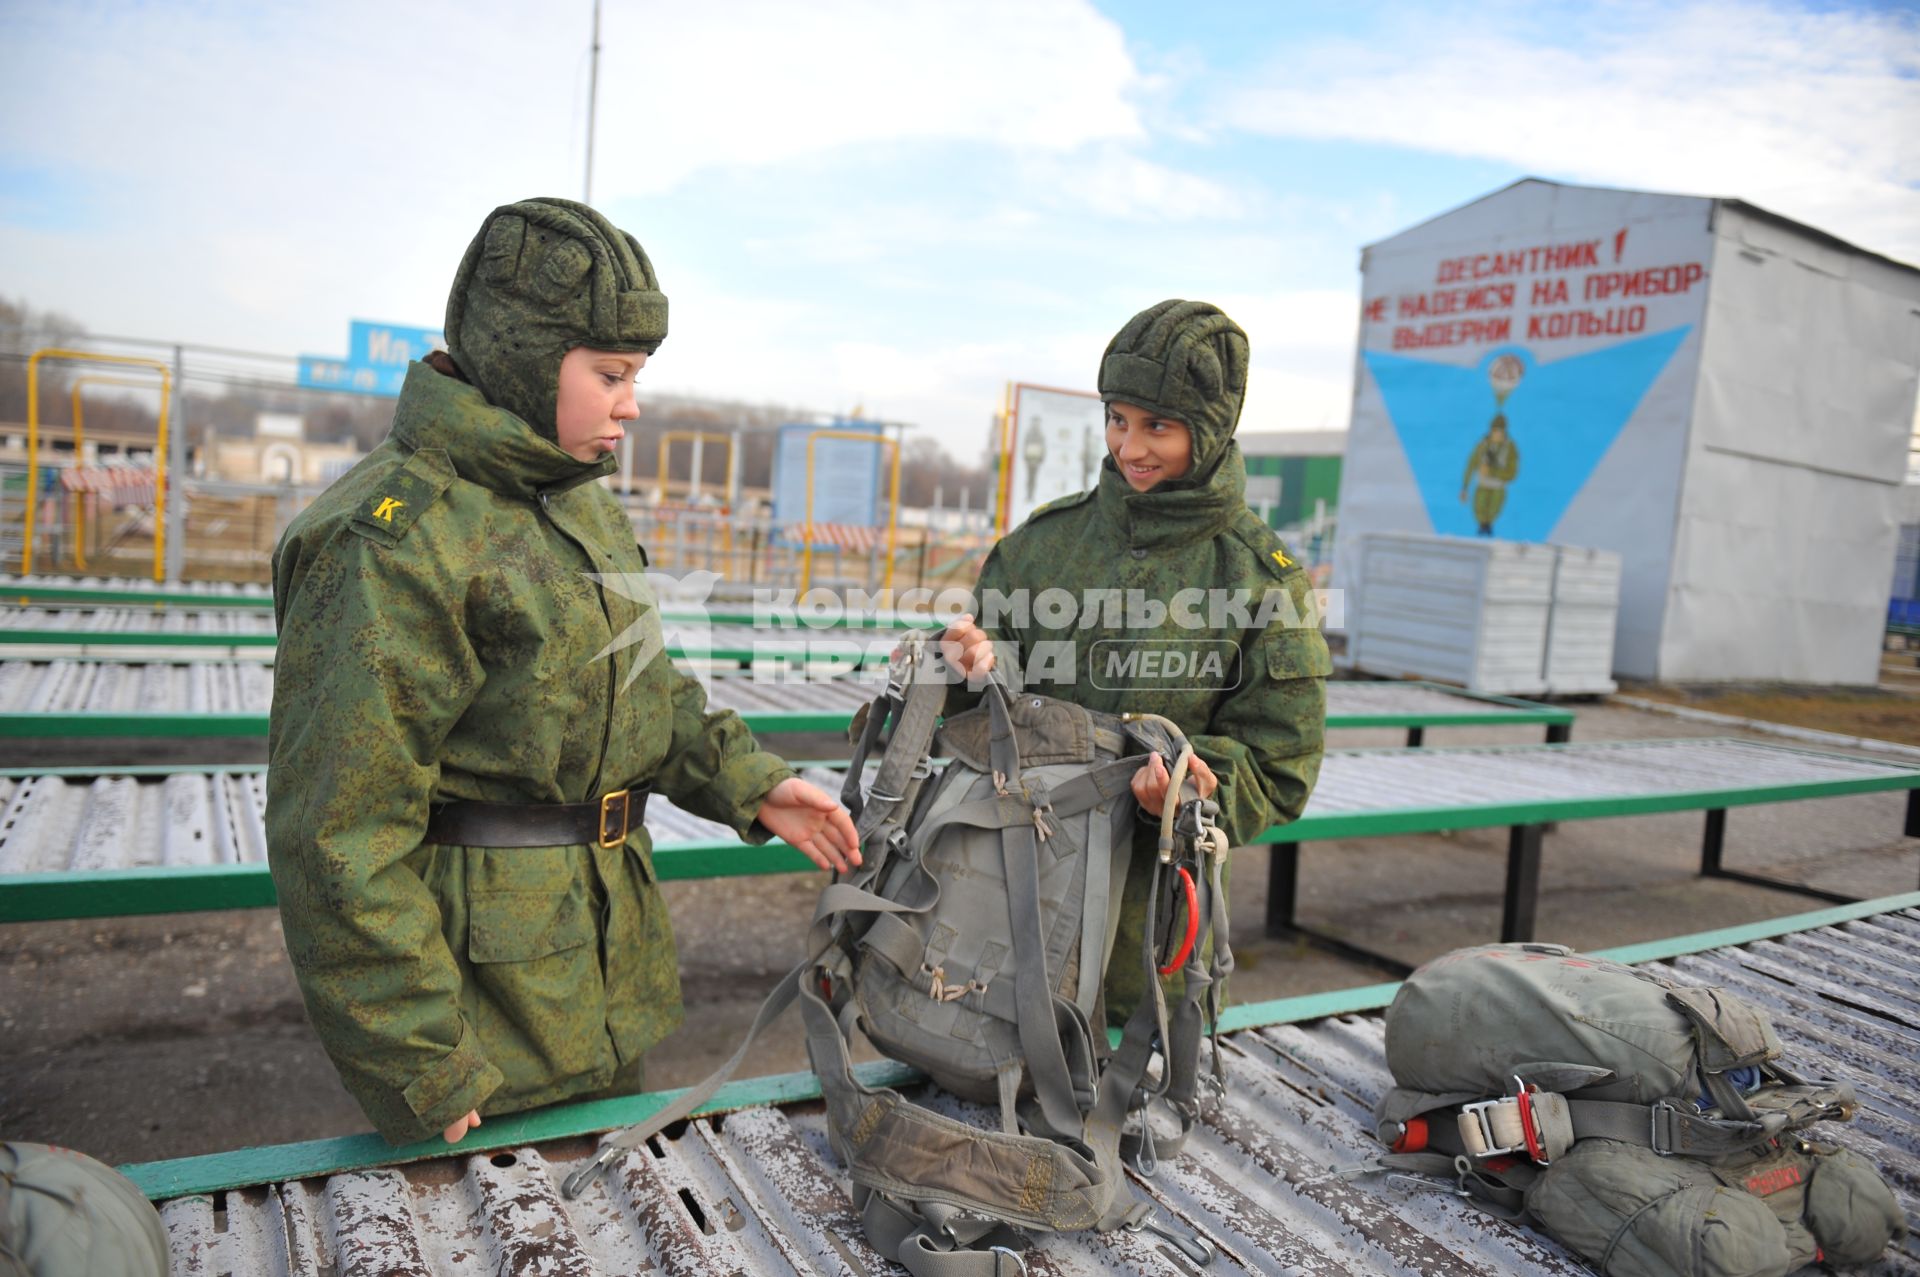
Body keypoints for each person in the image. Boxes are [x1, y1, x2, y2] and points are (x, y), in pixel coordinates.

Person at [266, 198, 859, 1148]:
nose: (632, 403)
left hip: (602, 974)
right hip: (483, 1017)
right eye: (611, 374)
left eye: (636, 375)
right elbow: (337, 833)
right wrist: (420, 1054)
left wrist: (755, 784)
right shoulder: (393, 539)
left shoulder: (571, 500)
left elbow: (640, 691)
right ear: (523, 356)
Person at [940, 299, 1329, 1022]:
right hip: (1009, 900)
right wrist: (965, 669)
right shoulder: (1044, 545)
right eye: (1118, 418)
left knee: (1130, 1113)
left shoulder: (1259, 578)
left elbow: (1280, 762)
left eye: (1160, 426)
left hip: (1150, 934)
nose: (1131, 445)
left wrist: (1191, 789)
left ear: (1210, 432)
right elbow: (968, 710)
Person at [1461, 412, 1518, 535]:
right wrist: (1465, 487)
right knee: (1480, 510)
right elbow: (1471, 464)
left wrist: (1491, 471)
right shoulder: (1482, 445)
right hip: (1482, 485)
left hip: (1498, 487)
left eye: (1499, 431)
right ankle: (1482, 526)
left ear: (1504, 432)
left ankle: (1487, 527)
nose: (1497, 434)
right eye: (1494, 431)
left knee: (1492, 512)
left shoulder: (1510, 448)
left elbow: (1512, 474)